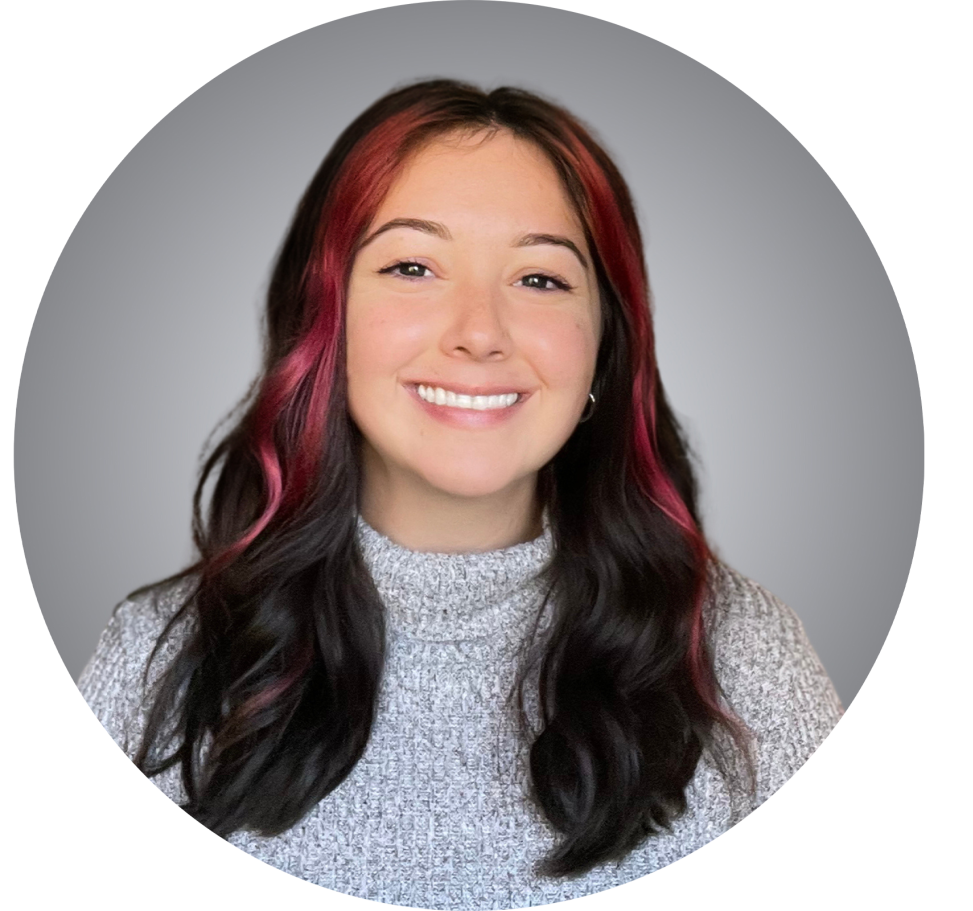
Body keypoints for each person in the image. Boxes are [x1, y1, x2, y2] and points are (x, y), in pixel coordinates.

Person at [77, 78, 843, 907]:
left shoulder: (741, 655)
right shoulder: (158, 663)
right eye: (412, 266)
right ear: (323, 318)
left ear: (605, 345)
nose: (480, 332)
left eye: (540, 278)